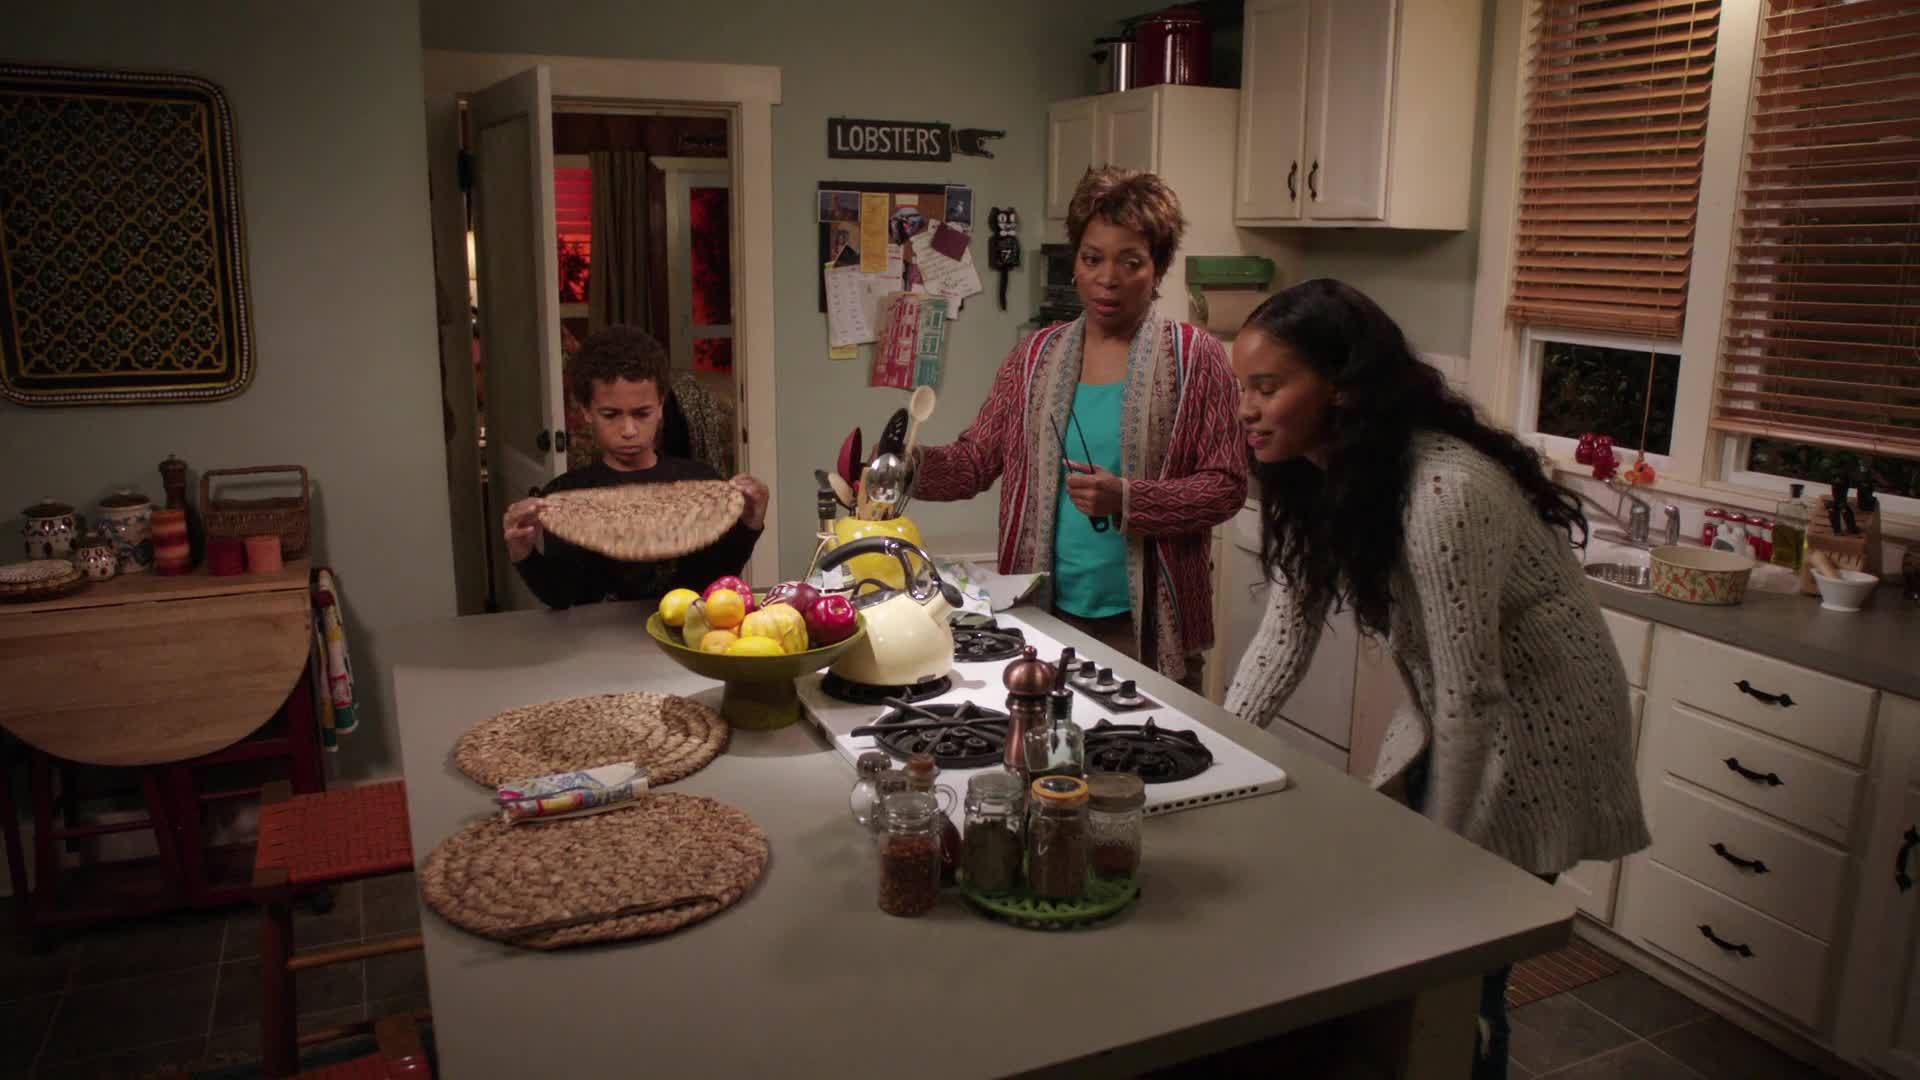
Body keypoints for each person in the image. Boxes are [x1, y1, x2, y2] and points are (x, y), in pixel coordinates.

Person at [1223, 279, 1649, 1080]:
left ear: (1339, 385)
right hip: (1454, 722)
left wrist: (1438, 853)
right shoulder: (1324, 473)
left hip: (1541, 737)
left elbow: (1470, 692)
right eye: (1242, 387)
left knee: (1459, 970)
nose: (1246, 409)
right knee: (1410, 954)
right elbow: (1283, 638)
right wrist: (1214, 759)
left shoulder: (1446, 490)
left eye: (1267, 387)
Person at [910, 167, 1246, 687]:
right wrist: (906, 467)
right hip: (1042, 617)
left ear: (1158, 268)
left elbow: (1226, 486)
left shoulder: (1195, 356)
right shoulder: (1033, 357)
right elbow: (975, 462)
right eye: (1092, 259)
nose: (1108, 278)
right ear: (1076, 263)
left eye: (1130, 262)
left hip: (1149, 628)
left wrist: (1129, 500)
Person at [503, 326, 768, 609]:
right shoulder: (564, 493)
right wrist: (523, 554)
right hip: (598, 634)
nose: (628, 430)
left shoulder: (701, 481)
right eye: (611, 415)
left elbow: (716, 580)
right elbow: (561, 596)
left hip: (683, 630)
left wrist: (749, 525)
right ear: (586, 411)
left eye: (642, 413)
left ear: (661, 405)